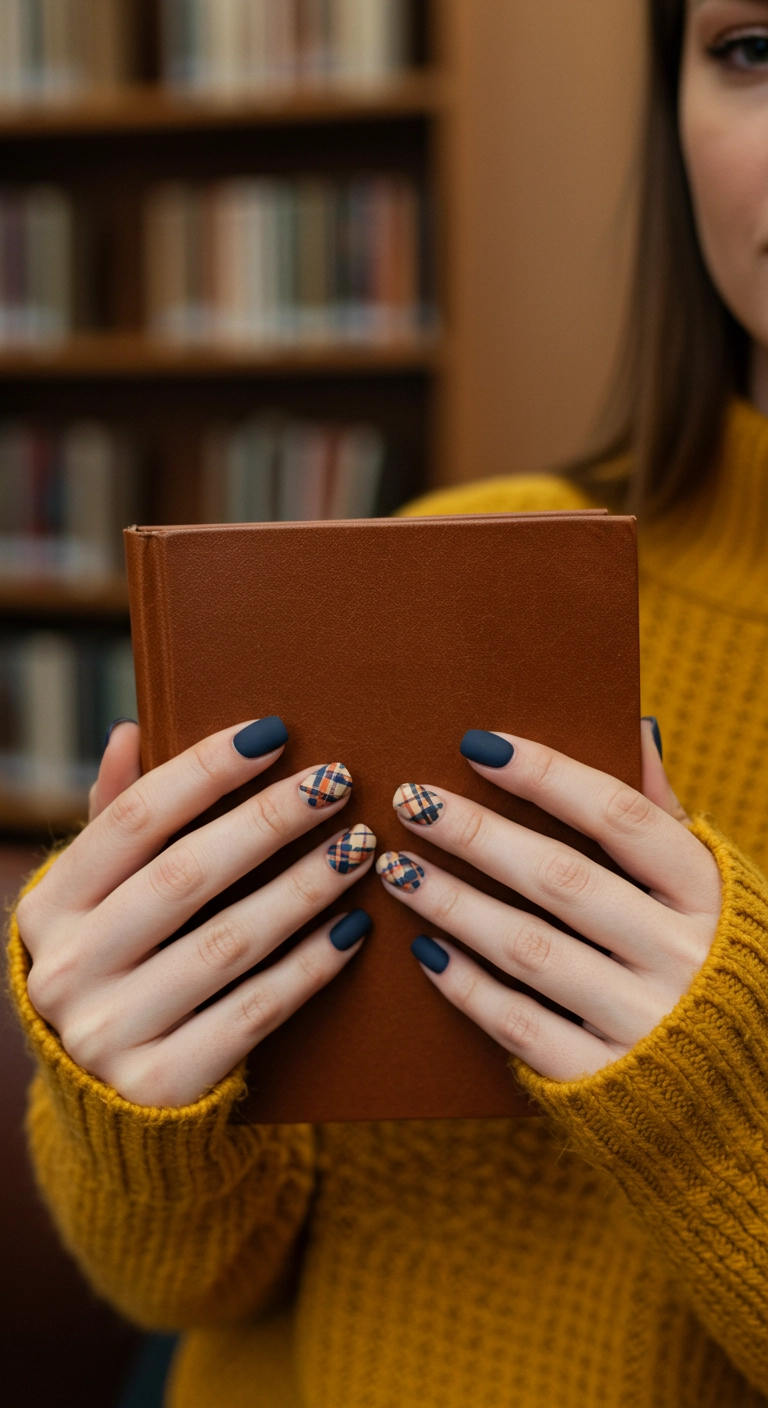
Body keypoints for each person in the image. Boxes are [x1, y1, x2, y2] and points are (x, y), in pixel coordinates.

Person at [8, 0, 768, 1403]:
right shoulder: (455, 562)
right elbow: (187, 1284)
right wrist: (136, 1085)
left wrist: (725, 1107)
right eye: (753, 50)